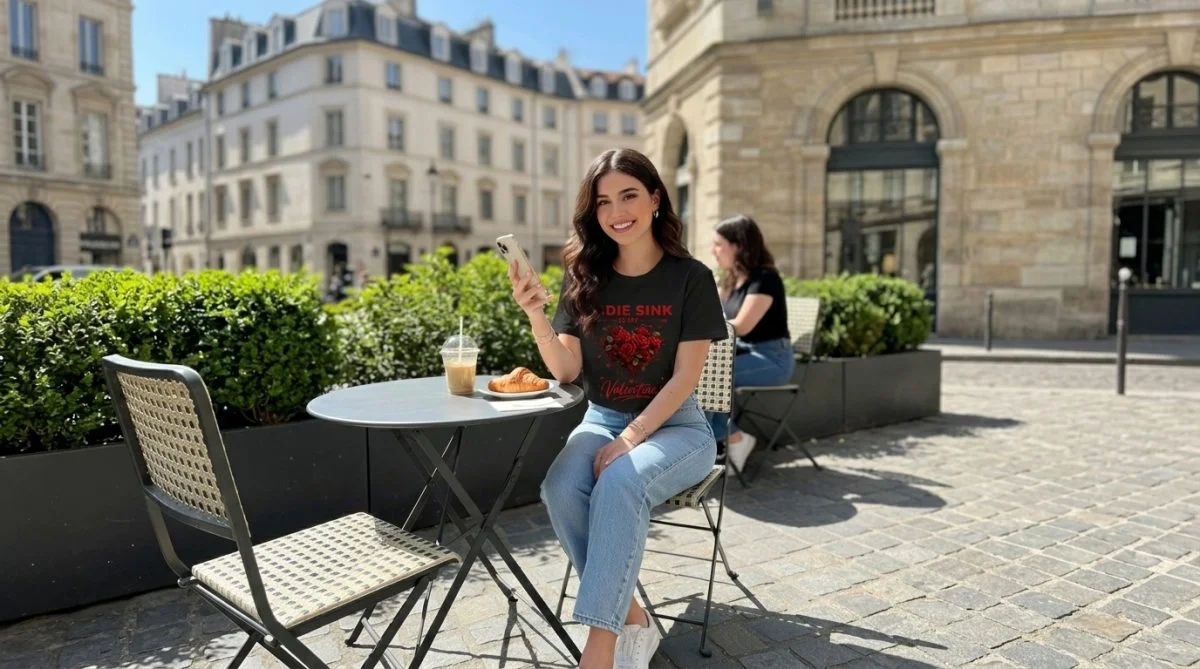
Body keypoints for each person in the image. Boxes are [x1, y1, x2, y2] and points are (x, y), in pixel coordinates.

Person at [507, 148, 727, 669]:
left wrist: (631, 439)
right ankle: (632, 618)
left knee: (619, 481)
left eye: (628, 195)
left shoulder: (691, 277)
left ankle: (599, 650)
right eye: (603, 202)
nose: (616, 211)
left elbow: (686, 378)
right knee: (561, 487)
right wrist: (536, 314)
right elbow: (565, 371)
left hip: (678, 427)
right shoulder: (584, 277)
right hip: (602, 419)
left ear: (655, 198)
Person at [709, 215, 795, 472]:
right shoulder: (731, 280)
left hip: (772, 359)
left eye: (718, 244)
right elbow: (712, 314)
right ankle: (724, 440)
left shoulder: (765, 279)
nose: (713, 251)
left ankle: (732, 438)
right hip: (743, 353)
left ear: (738, 246)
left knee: (709, 378)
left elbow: (742, 326)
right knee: (701, 373)